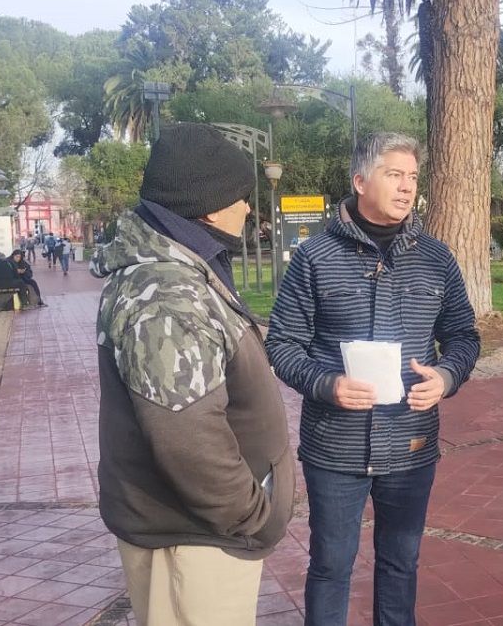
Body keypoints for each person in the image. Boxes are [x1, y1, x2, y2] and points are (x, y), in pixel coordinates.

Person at [265, 132, 480, 626]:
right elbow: (282, 345)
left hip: (410, 445)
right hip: (334, 449)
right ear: (361, 181)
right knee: (330, 567)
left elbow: (464, 337)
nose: (407, 188)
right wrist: (328, 384)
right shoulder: (315, 258)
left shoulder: (436, 258)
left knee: (401, 564)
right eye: (394, 175)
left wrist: (446, 377)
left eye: (412, 178)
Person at [91, 123, 295, 626]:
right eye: (239, 196)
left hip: (199, 532)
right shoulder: (166, 296)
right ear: (206, 202)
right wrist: (251, 518)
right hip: (194, 538)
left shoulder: (182, 269)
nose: (248, 208)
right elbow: (186, 436)